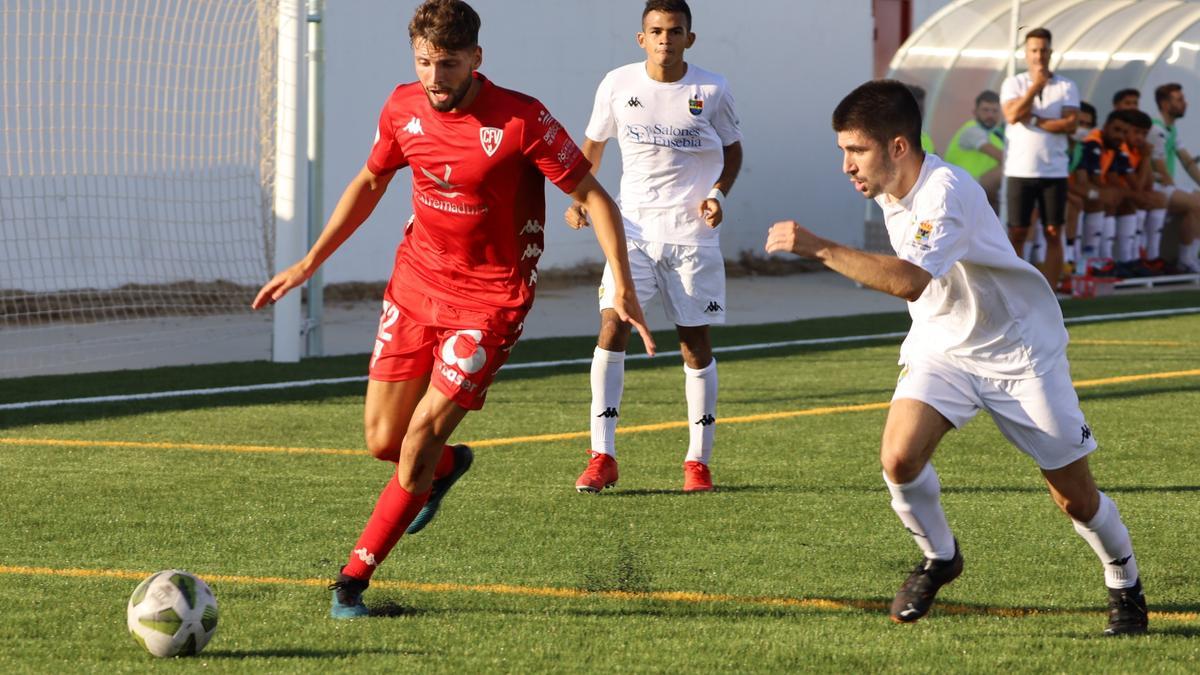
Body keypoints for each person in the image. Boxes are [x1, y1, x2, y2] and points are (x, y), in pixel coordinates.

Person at [253, 0, 656, 619]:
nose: (433, 77)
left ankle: (352, 580)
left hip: (491, 300)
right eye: (423, 63)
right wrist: (310, 262)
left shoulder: (521, 120)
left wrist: (621, 283)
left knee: (417, 438)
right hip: (415, 285)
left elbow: (594, 198)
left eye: (446, 63)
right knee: (383, 439)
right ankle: (446, 470)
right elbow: (369, 182)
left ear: (475, 58)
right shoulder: (400, 107)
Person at [765, 79, 1147, 636]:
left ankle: (1124, 583)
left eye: (856, 150)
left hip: (1017, 352)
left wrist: (818, 246)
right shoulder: (888, 188)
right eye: (843, 151)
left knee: (1075, 498)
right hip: (944, 344)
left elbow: (910, 280)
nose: (847, 165)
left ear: (898, 146)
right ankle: (940, 558)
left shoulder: (946, 191)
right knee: (898, 458)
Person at [566, 0, 742, 494]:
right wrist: (581, 198)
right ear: (641, 38)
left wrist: (718, 193)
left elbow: (733, 149)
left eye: (675, 31)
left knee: (694, 344)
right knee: (611, 326)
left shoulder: (712, 89)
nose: (666, 39)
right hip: (632, 232)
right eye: (656, 31)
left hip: (691, 237)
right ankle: (602, 455)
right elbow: (593, 148)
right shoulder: (618, 84)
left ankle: (697, 463)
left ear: (690, 38)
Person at [1000, 27, 1079, 288]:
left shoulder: (1067, 86)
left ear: (1051, 52)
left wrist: (1033, 119)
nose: (1039, 55)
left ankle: (1050, 290)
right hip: (1020, 170)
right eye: (1034, 50)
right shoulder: (1014, 83)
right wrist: (1036, 86)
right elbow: (1012, 115)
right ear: (1026, 53)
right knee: (1017, 232)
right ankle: (1016, 289)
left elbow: (1070, 124)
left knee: (1054, 231)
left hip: (1054, 171)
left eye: (1044, 50)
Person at [1074, 111, 1136, 273]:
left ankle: (1118, 260)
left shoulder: (1110, 147)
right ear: (1105, 127)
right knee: (1091, 201)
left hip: (1071, 190)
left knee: (1123, 201)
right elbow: (1082, 181)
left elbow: (1113, 179)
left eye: (1124, 132)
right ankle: (1084, 262)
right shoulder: (1091, 143)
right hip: (1064, 192)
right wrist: (1100, 194)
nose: (1120, 136)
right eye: (1117, 130)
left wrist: (1115, 193)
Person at [1148, 83, 1200, 272]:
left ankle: (1188, 257)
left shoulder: (1171, 129)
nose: (1185, 103)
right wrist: (1180, 192)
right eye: (1179, 100)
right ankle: (1187, 259)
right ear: (1164, 103)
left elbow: (1188, 162)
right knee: (1197, 203)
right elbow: (1161, 170)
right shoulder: (1156, 129)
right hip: (1155, 187)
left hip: (1164, 186)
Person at [944, 90, 1005, 212]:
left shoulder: (995, 134)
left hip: (978, 185)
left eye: (994, 111)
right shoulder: (972, 130)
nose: (990, 115)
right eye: (985, 110)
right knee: (1011, 169)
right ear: (975, 112)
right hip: (962, 185)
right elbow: (1002, 157)